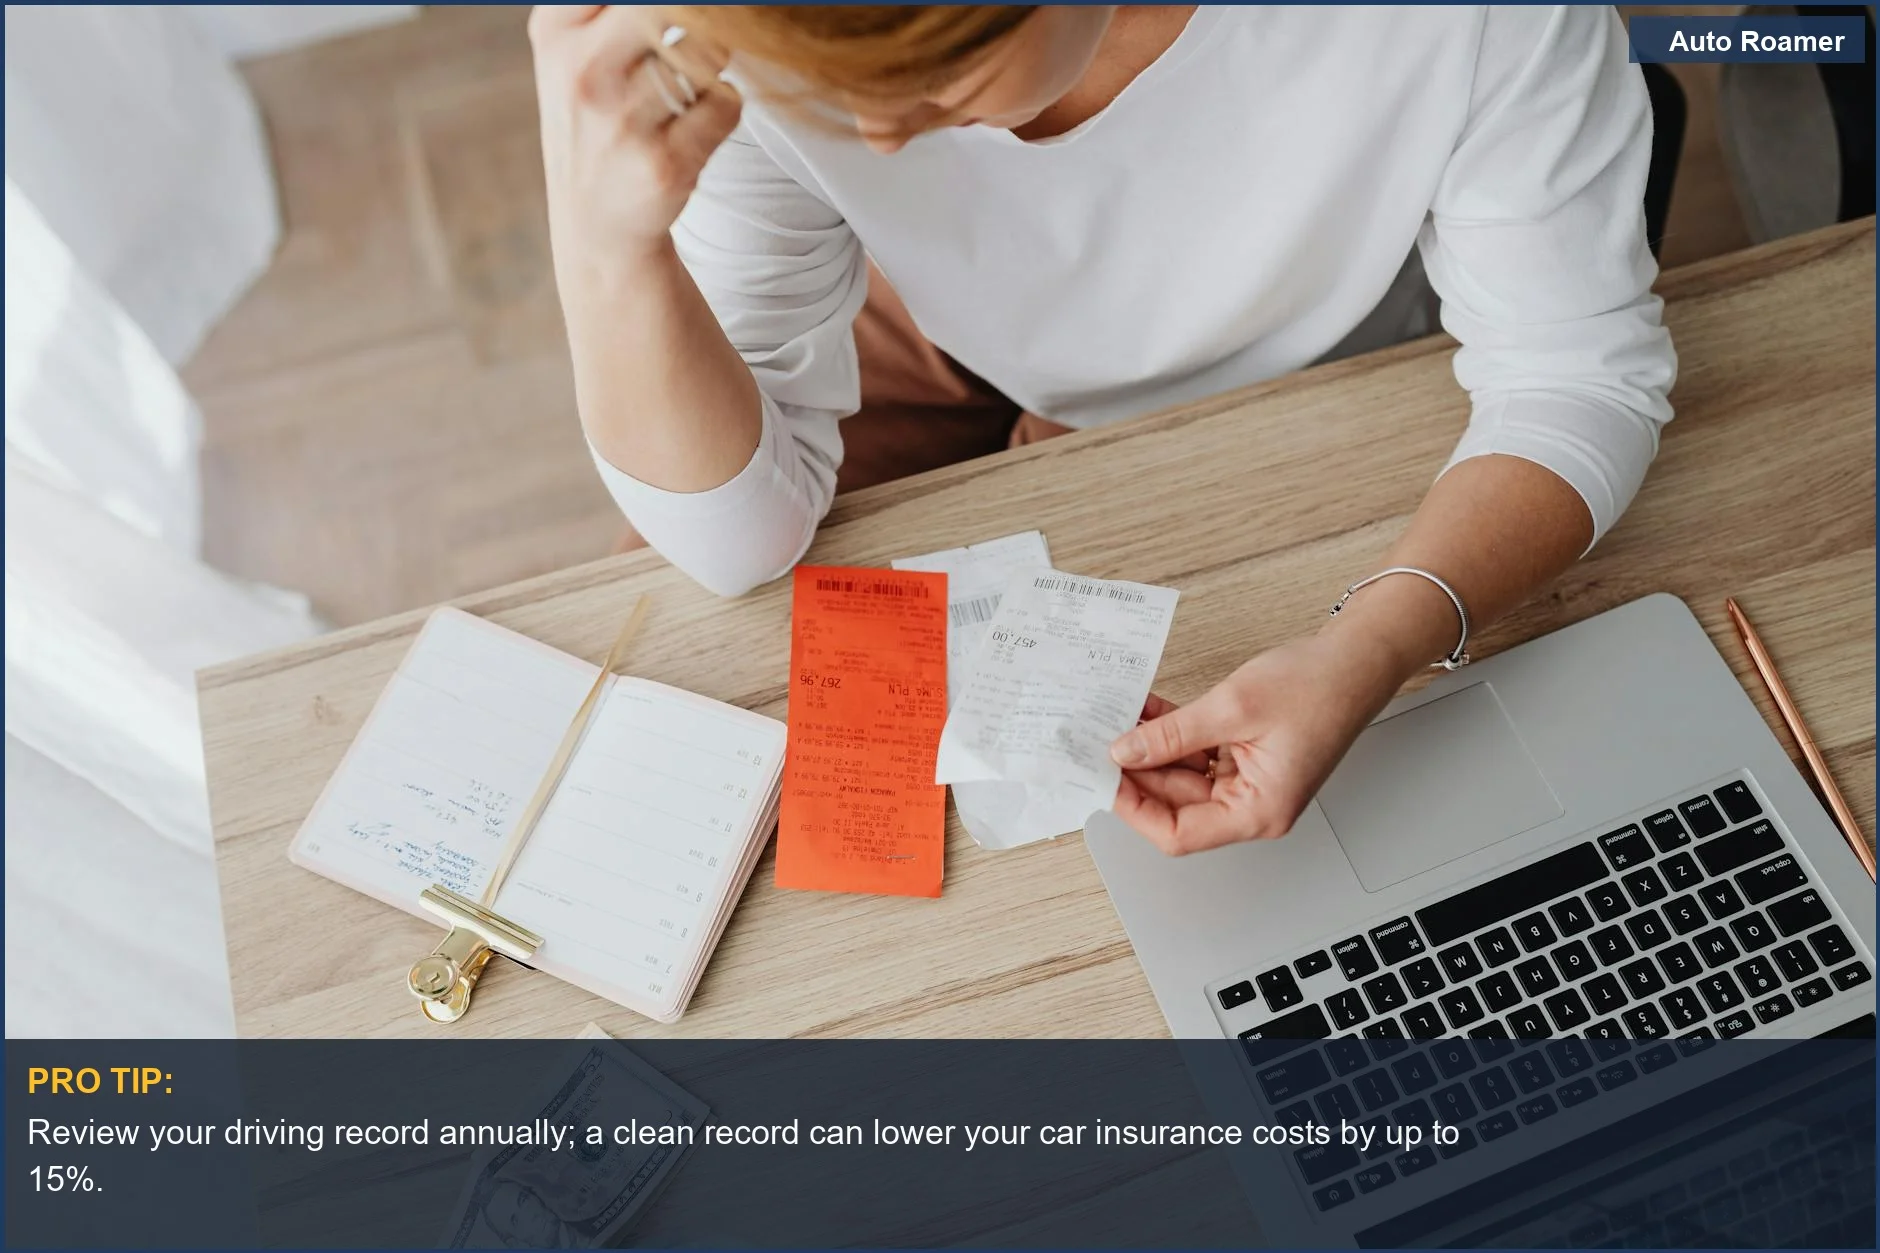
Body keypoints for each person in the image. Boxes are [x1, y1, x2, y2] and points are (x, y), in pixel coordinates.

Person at [529, 5, 1676, 856]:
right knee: (660, 630)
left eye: (935, 75)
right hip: (908, 301)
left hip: (1299, 334)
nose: (875, 142)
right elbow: (736, 543)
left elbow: (1577, 377)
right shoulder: (741, 34)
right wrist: (601, 246)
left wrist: (1373, 644)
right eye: (828, 90)